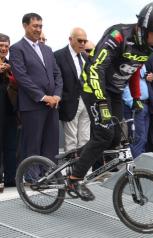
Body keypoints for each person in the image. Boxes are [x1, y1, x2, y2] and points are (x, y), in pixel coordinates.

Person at [68, 2, 153, 201]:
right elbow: (96, 69)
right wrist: (101, 102)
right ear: (145, 28)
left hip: (115, 91)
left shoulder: (147, 48)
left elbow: (134, 71)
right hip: (93, 87)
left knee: (116, 137)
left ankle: (78, 156)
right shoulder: (118, 35)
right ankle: (74, 178)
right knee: (104, 133)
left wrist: (136, 97)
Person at [9, 13, 63, 180]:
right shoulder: (17, 49)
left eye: (41, 26)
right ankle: (33, 177)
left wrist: (56, 95)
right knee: (32, 143)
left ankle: (50, 175)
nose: (38, 29)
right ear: (25, 26)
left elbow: (57, 75)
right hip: (33, 105)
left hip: (52, 104)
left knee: (51, 143)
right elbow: (22, 77)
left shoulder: (47, 50)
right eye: (35, 26)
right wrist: (42, 97)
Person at [54, 27, 90, 152]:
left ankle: (84, 170)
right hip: (69, 104)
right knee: (71, 141)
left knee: (85, 139)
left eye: (85, 41)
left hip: (86, 102)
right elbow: (57, 80)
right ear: (70, 39)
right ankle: (71, 171)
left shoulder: (85, 57)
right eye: (80, 41)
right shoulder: (58, 55)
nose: (83, 44)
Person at [123, 65, 153, 158]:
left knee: (143, 138)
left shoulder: (144, 64)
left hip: (145, 104)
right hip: (135, 105)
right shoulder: (130, 63)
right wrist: (132, 103)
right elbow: (124, 84)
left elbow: (144, 82)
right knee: (137, 137)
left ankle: (140, 165)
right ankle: (136, 167)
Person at [0, 33, 18, 192]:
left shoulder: (11, 64)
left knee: (12, 146)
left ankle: (11, 179)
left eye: (6, 46)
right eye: (1, 46)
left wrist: (10, 72)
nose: (4, 49)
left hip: (11, 111)